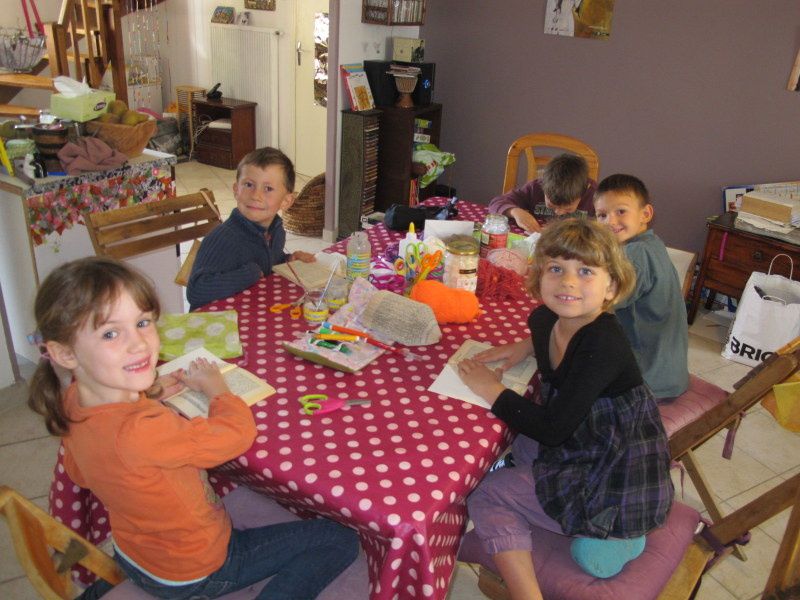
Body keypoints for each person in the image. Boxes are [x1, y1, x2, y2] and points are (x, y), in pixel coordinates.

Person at [28, 257, 359, 600]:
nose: (139, 344)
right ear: (65, 353)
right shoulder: (141, 430)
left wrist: (149, 392)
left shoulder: (72, 402)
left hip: (134, 552)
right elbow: (235, 436)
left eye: (143, 322)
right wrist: (218, 390)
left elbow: (80, 473)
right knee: (339, 539)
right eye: (111, 333)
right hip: (197, 567)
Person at [456, 219, 673, 600]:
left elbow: (553, 428)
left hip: (615, 469)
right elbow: (549, 334)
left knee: (486, 491)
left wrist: (491, 390)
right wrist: (524, 347)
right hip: (587, 436)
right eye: (556, 269)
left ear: (612, 287)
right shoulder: (543, 320)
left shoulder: (605, 342)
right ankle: (581, 527)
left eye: (585, 271)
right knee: (519, 446)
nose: (568, 282)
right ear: (538, 277)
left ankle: (537, 587)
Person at [593, 173, 689, 399]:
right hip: (668, 372)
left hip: (647, 382)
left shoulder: (635, 255)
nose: (610, 222)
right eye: (602, 215)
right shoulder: (651, 244)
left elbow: (599, 304)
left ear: (645, 214)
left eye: (621, 211)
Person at [187, 147, 316, 311]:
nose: (256, 195)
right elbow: (196, 291)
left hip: (251, 311)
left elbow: (268, 261)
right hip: (216, 326)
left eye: (268, 189)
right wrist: (248, 274)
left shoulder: (275, 231)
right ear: (236, 190)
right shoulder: (223, 239)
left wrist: (287, 260)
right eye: (249, 185)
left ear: (286, 201)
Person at [487, 152, 596, 233]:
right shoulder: (535, 188)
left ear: (585, 189)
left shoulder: (595, 195)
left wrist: (581, 227)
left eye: (568, 208)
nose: (559, 212)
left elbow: (609, 227)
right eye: (551, 205)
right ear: (543, 185)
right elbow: (496, 203)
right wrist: (515, 211)